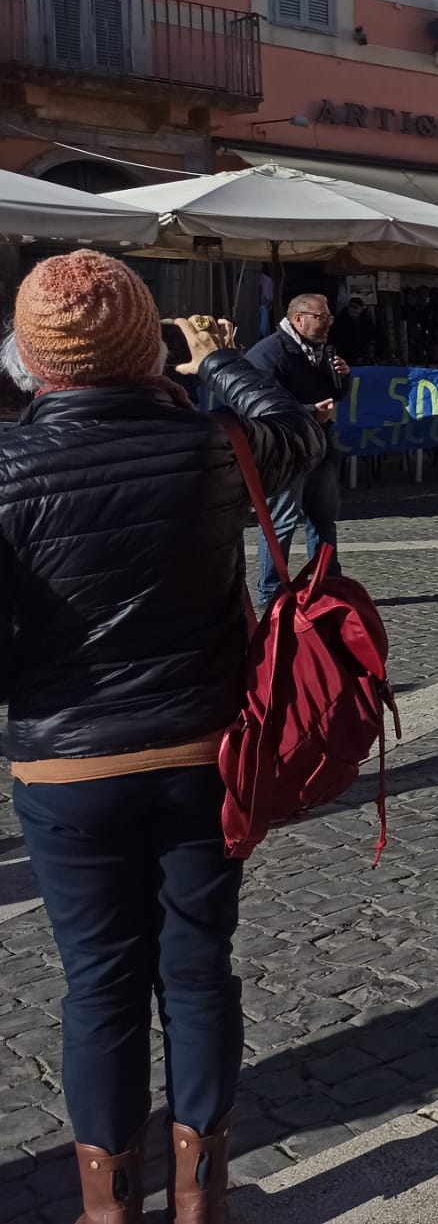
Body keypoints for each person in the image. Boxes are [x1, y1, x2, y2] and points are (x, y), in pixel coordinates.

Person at [0, 251, 324, 1224]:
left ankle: (108, 1210)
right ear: (149, 343)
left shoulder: (5, 465)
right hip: (202, 752)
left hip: (67, 766)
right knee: (197, 969)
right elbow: (295, 432)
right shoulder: (213, 445)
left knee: (99, 983)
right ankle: (201, 1200)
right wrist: (215, 356)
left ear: (30, 356)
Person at [245, 292, 351, 612]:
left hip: (320, 444)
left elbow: (335, 392)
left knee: (323, 518)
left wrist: (343, 379)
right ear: (298, 319)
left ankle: (326, 583)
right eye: (321, 317)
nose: (328, 323)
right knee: (282, 521)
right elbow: (257, 402)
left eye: (329, 317)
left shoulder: (321, 349)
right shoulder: (269, 353)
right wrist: (308, 411)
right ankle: (272, 592)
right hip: (286, 448)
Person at [331, 295, 377, 365]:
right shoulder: (340, 321)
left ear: (361, 309)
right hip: (345, 354)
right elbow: (336, 337)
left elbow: (371, 336)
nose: (353, 310)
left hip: (363, 355)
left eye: (356, 307)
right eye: (351, 307)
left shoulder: (366, 321)